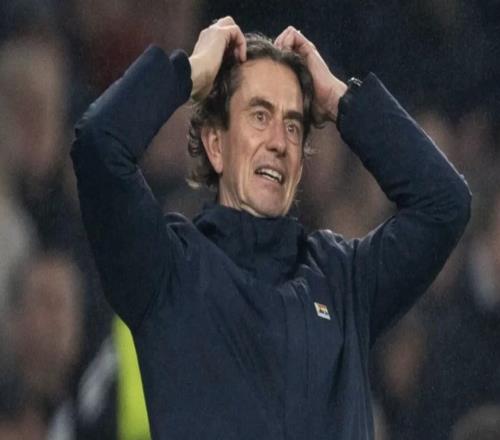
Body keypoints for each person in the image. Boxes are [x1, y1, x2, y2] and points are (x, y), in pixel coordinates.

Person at [71, 16, 471, 440]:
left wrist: (340, 100)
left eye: (293, 125)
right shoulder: (168, 270)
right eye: (260, 116)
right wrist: (189, 72)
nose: (280, 142)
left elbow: (444, 204)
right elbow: (99, 144)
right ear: (215, 145)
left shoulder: (344, 281)